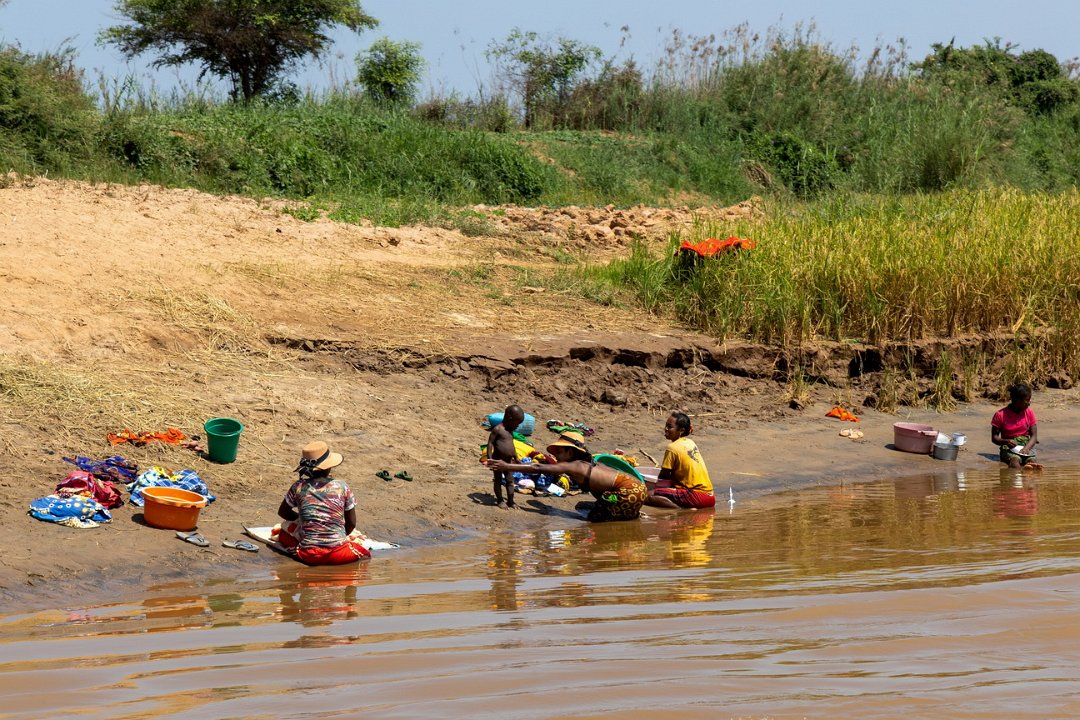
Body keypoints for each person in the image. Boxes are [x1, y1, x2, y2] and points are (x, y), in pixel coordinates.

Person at [487, 430, 646, 522]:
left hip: (629, 492)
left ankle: (626, 516)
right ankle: (630, 513)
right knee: (587, 505)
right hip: (637, 487)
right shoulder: (590, 462)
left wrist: (506, 466)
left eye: (559, 452)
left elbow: (538, 467)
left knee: (594, 518)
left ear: (570, 452)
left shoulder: (573, 465)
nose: (556, 456)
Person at [276, 441, 370, 565]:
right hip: (337, 553)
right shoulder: (342, 486)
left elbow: (283, 512)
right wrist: (337, 537)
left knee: (282, 535)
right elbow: (351, 523)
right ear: (328, 467)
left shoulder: (298, 486)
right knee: (365, 556)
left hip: (308, 555)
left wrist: (302, 520)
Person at [646, 412, 715, 509]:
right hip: (710, 496)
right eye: (666, 425)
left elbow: (664, 477)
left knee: (645, 496)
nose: (666, 429)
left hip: (696, 496)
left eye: (670, 427)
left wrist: (648, 485)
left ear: (681, 430)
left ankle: (683, 511)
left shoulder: (672, 448)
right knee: (665, 492)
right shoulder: (690, 442)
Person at [992, 384, 1042, 469]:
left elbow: (1034, 436)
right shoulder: (1000, 415)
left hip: (1027, 445)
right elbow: (994, 438)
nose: (1029, 403)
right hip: (1008, 447)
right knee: (1015, 460)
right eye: (1027, 400)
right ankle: (1018, 476)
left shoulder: (1029, 413)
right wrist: (1006, 441)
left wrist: (1026, 448)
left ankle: (1030, 478)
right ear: (1017, 400)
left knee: (1032, 461)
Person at [487, 404, 524, 509]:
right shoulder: (498, 429)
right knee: (498, 480)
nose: (517, 426)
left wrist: (516, 457)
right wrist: (490, 459)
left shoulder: (510, 431)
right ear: (509, 418)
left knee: (510, 480)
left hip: (508, 461)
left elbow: (512, 446)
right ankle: (500, 500)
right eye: (516, 423)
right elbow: (490, 444)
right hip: (497, 460)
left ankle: (511, 501)